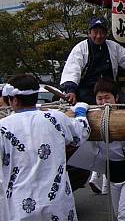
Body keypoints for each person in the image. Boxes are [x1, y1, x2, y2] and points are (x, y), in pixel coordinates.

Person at [0, 74, 90, 220]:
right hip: (57, 204)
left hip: (19, 207)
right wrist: (80, 111)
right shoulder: (56, 118)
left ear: (15, 100)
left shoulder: (2, 126)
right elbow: (81, 132)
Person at [68, 77, 125, 221]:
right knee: (116, 214)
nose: (103, 102)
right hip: (112, 175)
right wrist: (81, 109)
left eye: (107, 97)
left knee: (124, 217)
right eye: (99, 98)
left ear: (116, 98)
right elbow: (75, 116)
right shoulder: (93, 115)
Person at [60, 16, 125, 105]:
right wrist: (71, 91)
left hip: (110, 90)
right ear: (89, 33)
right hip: (87, 91)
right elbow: (72, 70)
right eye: (95, 32)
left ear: (106, 33)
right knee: (84, 104)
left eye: (102, 32)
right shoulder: (80, 48)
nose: (98, 36)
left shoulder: (113, 47)